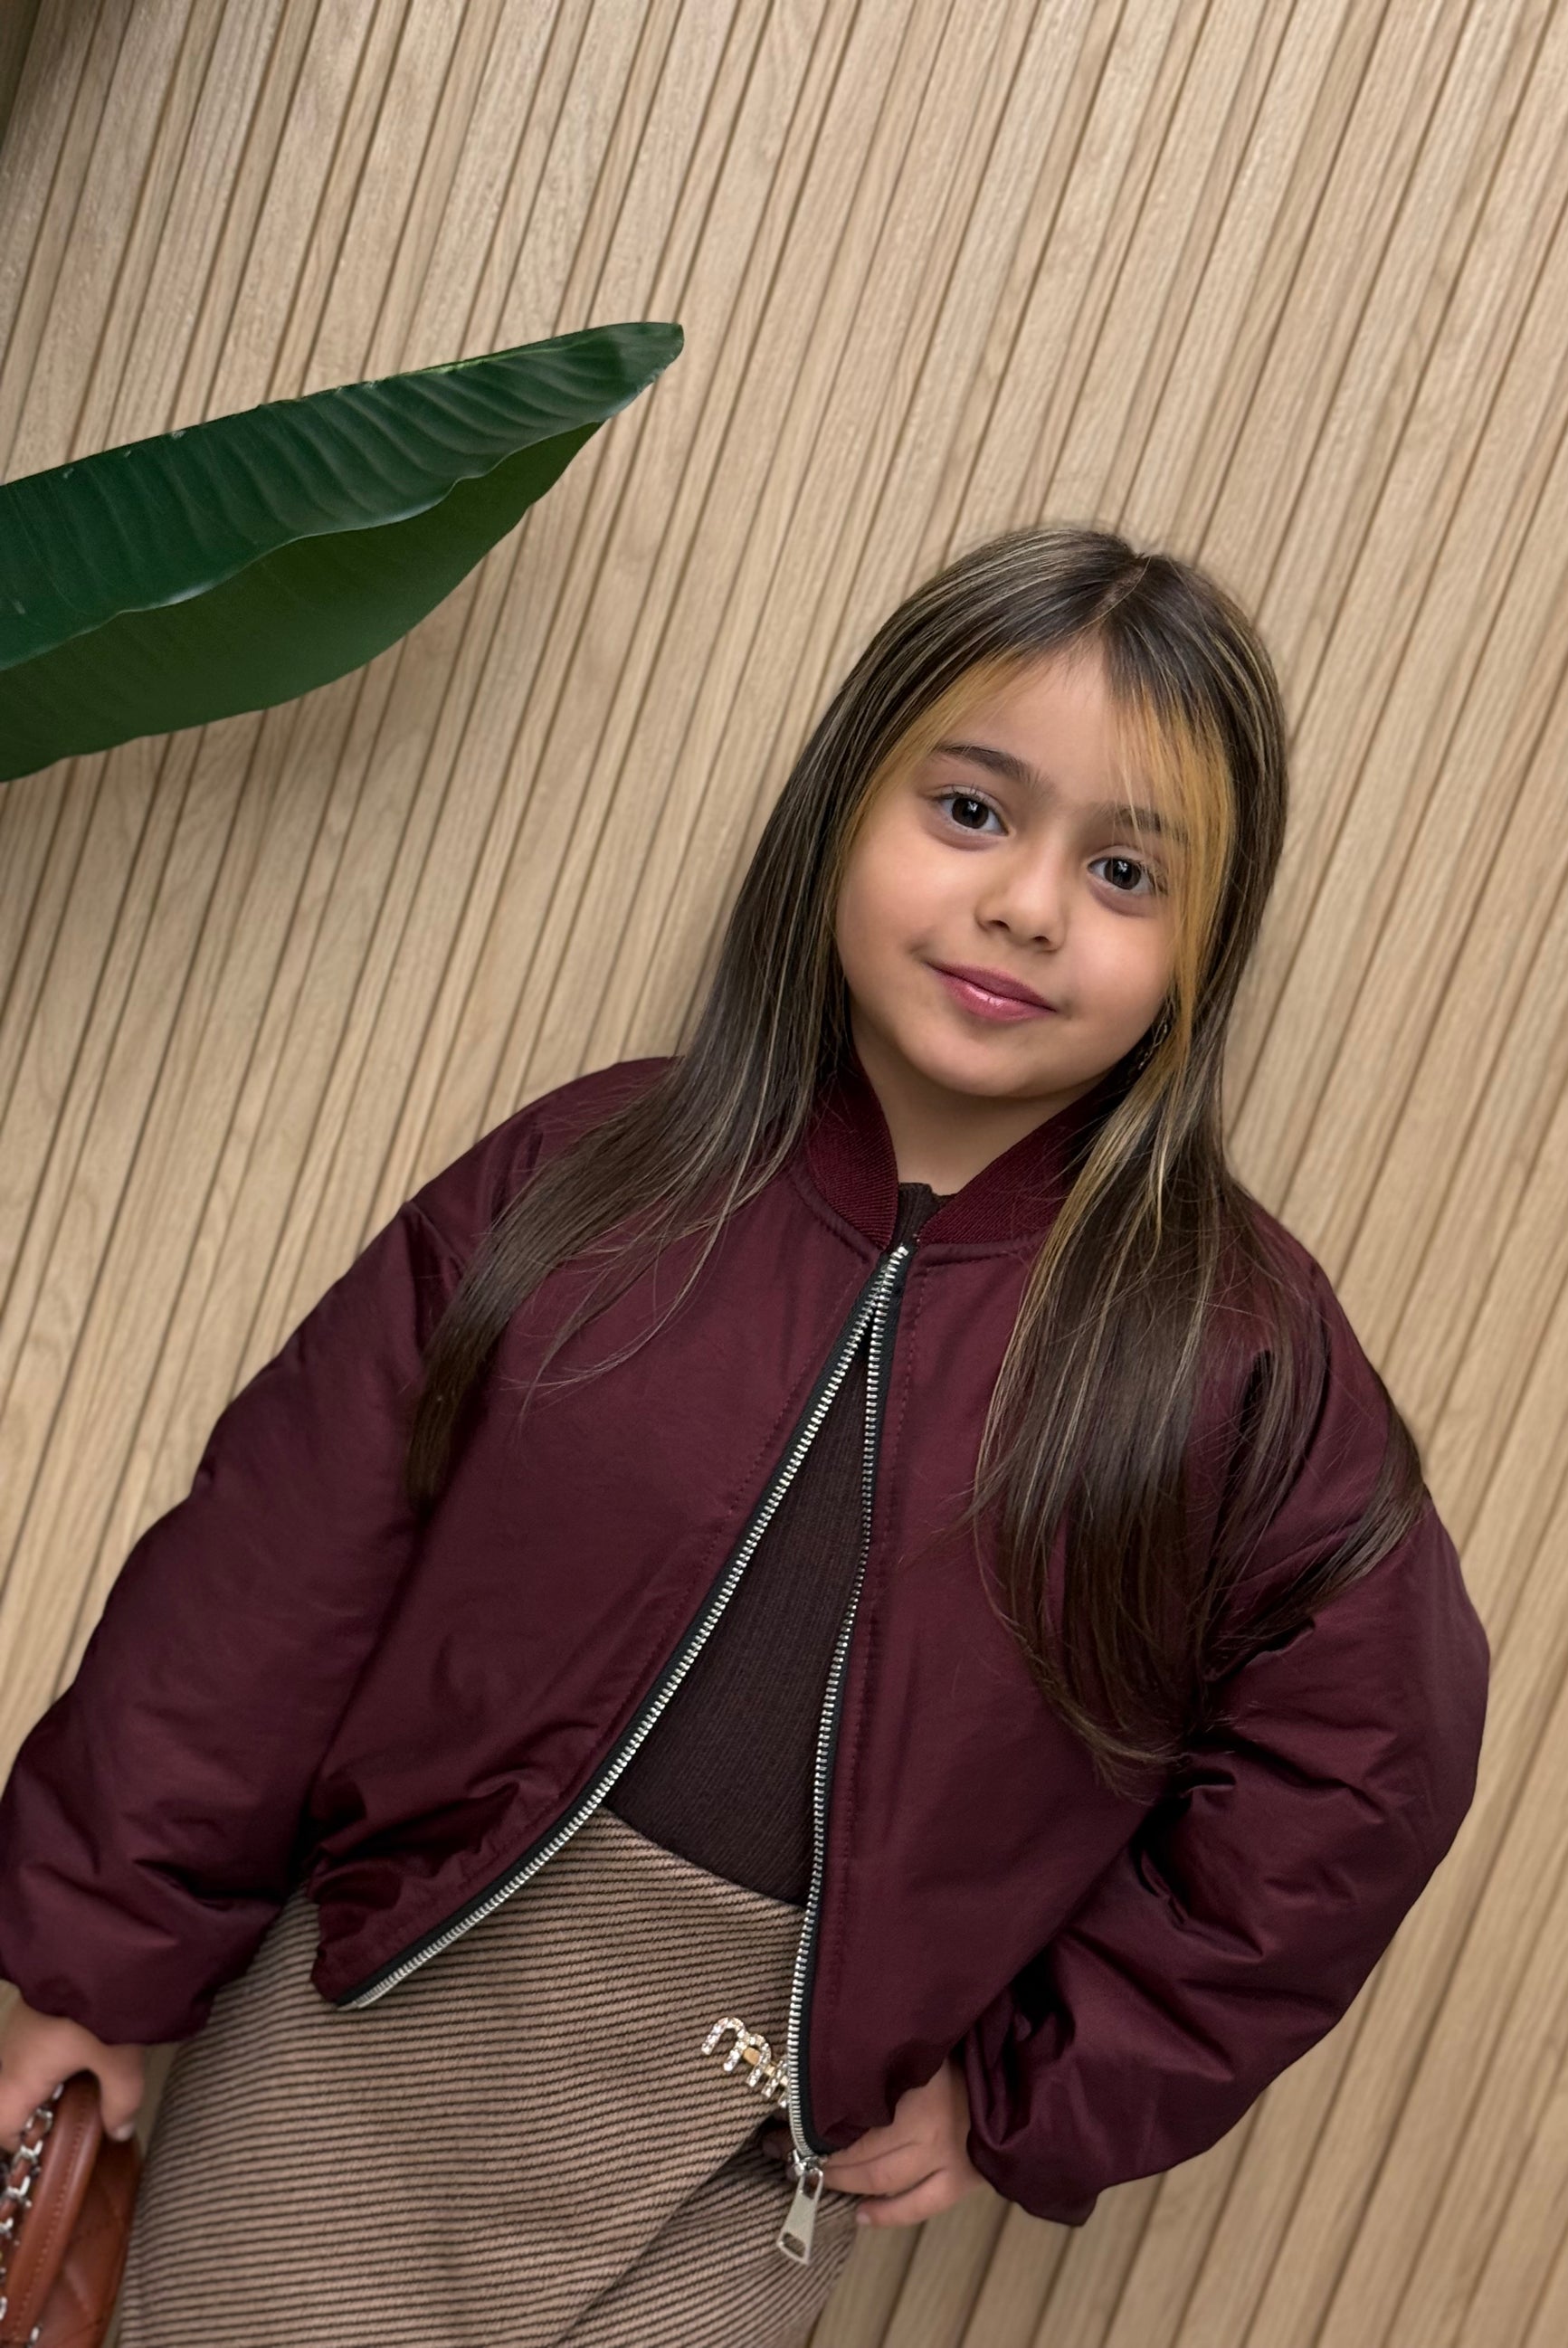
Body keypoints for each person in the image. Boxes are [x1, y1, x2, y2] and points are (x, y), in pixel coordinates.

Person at [0, 524, 1490, 2346]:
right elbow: (266, 1580)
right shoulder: (585, 1180)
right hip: (358, 2016)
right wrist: (94, 1960)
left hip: (740, 2137)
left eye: (1122, 870)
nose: (1028, 905)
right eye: (970, 811)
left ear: (1203, 947)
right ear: (841, 807)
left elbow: (1363, 1765)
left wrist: (1035, 2081)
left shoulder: (1233, 1353)